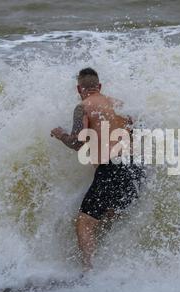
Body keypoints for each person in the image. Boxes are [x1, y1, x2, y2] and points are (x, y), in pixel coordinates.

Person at [51, 68, 144, 271]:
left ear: (79, 88)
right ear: (99, 86)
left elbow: (77, 143)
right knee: (111, 215)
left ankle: (89, 271)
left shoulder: (83, 107)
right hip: (135, 166)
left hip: (112, 168)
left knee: (84, 222)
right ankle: (120, 267)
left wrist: (60, 135)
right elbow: (135, 130)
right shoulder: (119, 103)